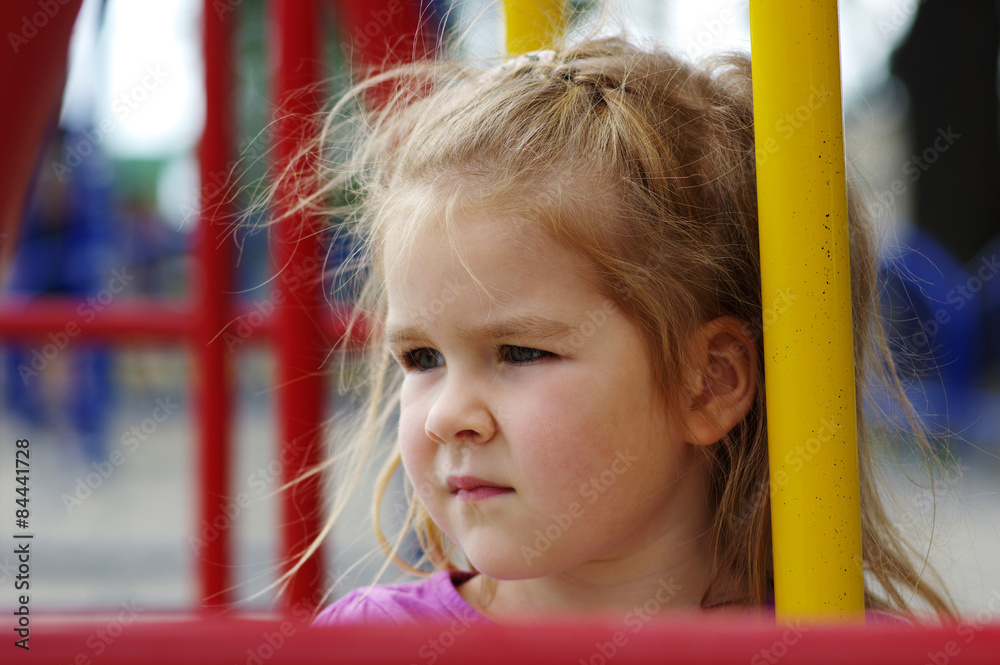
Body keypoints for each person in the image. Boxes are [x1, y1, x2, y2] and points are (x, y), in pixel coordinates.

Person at [287, 31, 954, 626]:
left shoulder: (836, 643)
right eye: (421, 356)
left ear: (710, 384)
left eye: (518, 351)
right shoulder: (378, 641)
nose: (447, 416)